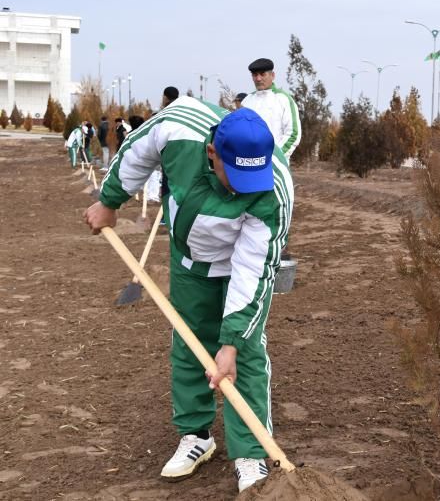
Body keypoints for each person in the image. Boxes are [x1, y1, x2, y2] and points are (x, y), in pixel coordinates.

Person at [83, 100, 293, 493]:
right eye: (236, 178)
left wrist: (229, 342)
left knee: (243, 351)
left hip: (237, 263)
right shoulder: (176, 131)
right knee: (188, 340)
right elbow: (135, 155)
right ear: (212, 153)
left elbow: (253, 269)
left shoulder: (273, 190)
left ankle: (250, 451)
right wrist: (109, 202)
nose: (244, 190)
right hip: (189, 258)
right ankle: (197, 436)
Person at [240, 58, 301, 164]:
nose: (258, 79)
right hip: (248, 165)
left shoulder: (284, 99)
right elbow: (239, 132)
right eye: (255, 75)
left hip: (275, 166)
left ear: (272, 75)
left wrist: (276, 157)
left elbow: (293, 133)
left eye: (262, 74)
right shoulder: (246, 101)